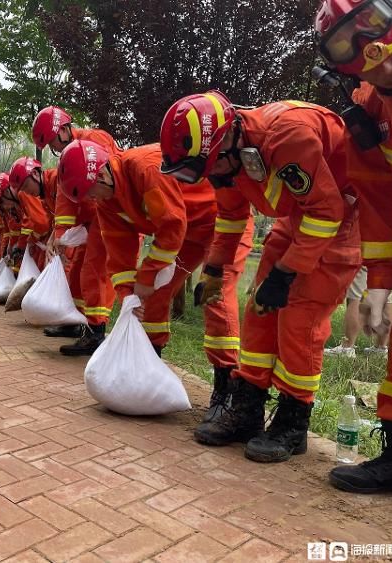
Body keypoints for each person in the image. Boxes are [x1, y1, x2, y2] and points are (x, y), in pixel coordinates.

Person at [160, 91, 361, 463]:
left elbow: (327, 211)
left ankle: (292, 422)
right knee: (259, 313)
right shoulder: (227, 159)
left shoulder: (288, 136)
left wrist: (284, 274)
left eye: (212, 167)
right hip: (297, 219)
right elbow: (232, 216)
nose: (213, 176)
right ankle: (247, 410)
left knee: (299, 321)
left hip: (337, 223)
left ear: (231, 138)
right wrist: (216, 268)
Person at [315, 0, 392, 493]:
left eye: (390, 52)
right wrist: (380, 286)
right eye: (372, 63)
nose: (387, 65)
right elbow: (379, 203)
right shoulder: (369, 115)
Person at [32, 106, 120, 355]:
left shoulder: (95, 141)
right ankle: (77, 322)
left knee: (94, 272)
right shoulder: (68, 157)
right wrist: (60, 236)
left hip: (108, 217)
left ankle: (96, 331)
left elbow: (109, 184)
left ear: (62, 130)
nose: (54, 149)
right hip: (93, 223)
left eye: (52, 142)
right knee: (79, 273)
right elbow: (66, 199)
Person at [324, 268, 392, 358]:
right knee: (385, 299)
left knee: (355, 297)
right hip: (388, 257)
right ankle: (381, 348)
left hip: (366, 256)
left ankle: (347, 348)